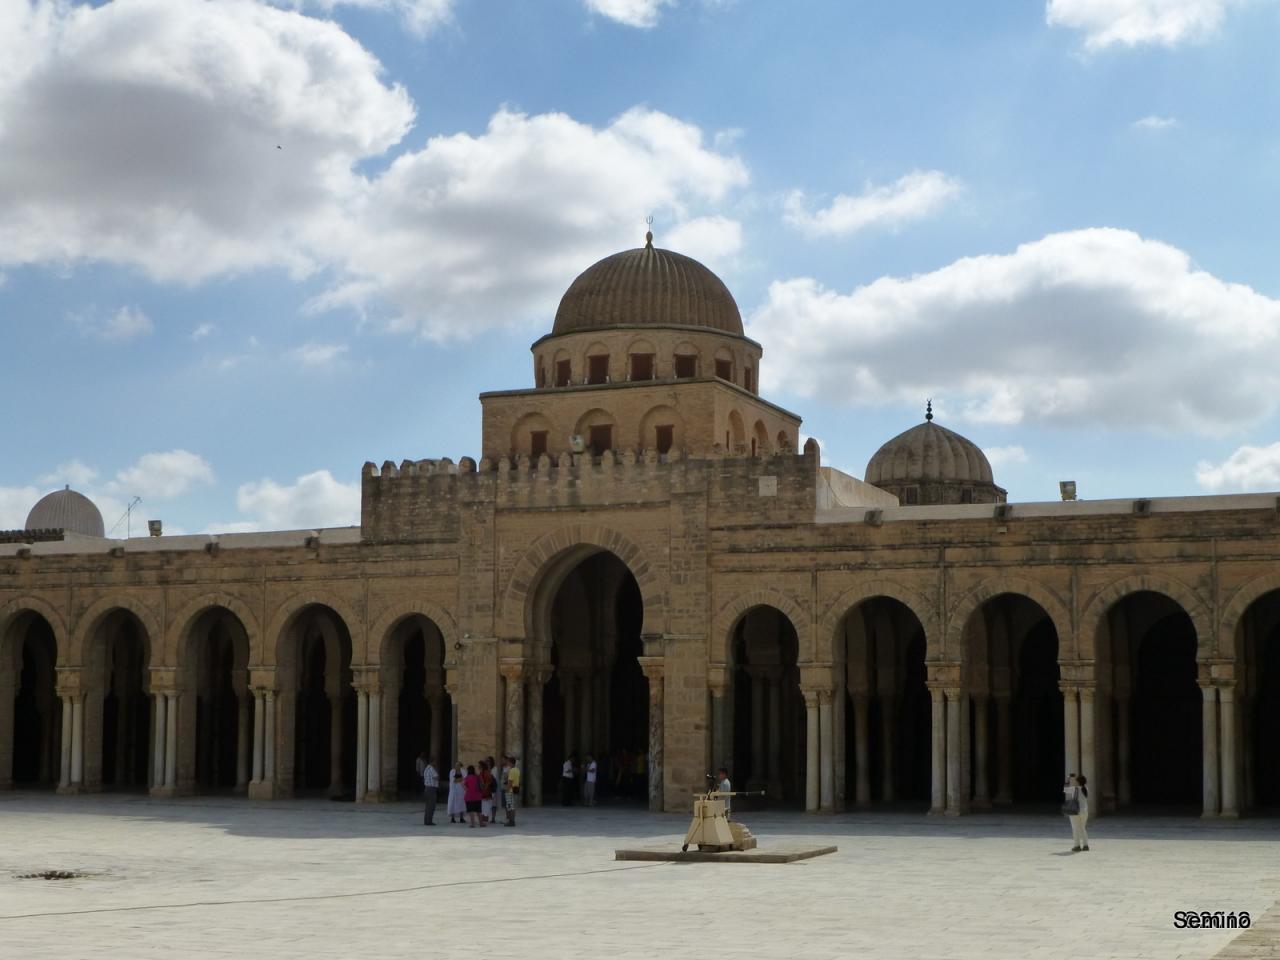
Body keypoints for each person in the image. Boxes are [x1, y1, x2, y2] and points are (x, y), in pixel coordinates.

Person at [1064, 773, 1089, 852]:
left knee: (1075, 828)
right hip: (1084, 811)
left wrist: (1068, 778)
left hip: (1075, 811)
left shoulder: (1074, 789)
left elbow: (1065, 789)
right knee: (1082, 828)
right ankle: (1085, 845)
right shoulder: (1086, 789)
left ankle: (1077, 845)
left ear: (1078, 782)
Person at [503, 755, 521, 827]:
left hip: (510, 791)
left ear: (511, 763)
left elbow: (510, 782)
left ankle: (511, 821)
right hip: (515, 789)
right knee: (513, 806)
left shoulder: (511, 771)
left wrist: (506, 790)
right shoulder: (517, 770)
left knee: (510, 807)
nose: (507, 764)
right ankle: (512, 821)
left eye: (508, 762)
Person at [422, 756, 439, 826]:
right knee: (431, 806)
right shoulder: (431, 769)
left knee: (427, 806)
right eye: (435, 761)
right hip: (431, 788)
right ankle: (429, 821)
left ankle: (426, 820)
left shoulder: (426, 769)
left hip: (427, 788)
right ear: (433, 762)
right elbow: (436, 777)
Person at [479, 760, 495, 826]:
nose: (478, 767)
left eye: (479, 766)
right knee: (485, 807)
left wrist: (484, 787)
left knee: (485, 807)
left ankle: (484, 820)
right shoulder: (485, 773)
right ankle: (484, 820)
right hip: (485, 792)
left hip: (485, 792)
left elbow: (488, 782)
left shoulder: (485, 773)